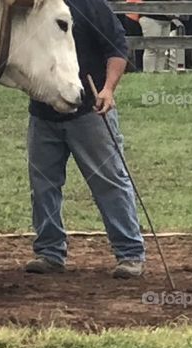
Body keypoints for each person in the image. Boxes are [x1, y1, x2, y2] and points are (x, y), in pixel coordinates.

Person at [25, 0, 146, 279]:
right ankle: (50, 252)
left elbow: (116, 48)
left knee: (109, 181)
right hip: (43, 112)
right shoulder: (33, 6)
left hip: (90, 111)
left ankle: (130, 253)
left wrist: (108, 89)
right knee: (43, 185)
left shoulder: (91, 5)